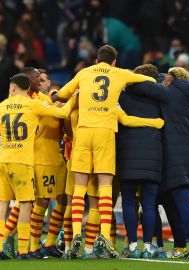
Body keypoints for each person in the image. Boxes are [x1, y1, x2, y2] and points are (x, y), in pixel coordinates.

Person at [54, 45, 156, 258]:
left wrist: (62, 94)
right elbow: (147, 80)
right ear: (114, 62)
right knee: (105, 186)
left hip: (83, 132)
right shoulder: (120, 73)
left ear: (96, 59)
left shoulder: (84, 72)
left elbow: (62, 94)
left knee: (79, 188)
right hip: (105, 132)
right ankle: (103, 237)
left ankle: (75, 237)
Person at [0, 73, 76, 260]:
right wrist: (75, 96)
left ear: (13, 88)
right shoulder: (33, 104)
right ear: (28, 86)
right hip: (24, 161)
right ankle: (24, 249)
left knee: (3, 205)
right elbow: (62, 113)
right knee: (26, 205)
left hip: (3, 159)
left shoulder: (1, 106)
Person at [126, 67, 189, 258]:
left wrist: (126, 82)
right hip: (179, 153)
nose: (164, 80)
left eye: (167, 77)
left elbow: (145, 88)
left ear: (173, 78)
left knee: (181, 201)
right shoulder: (181, 92)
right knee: (172, 203)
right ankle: (180, 246)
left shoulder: (172, 93)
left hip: (176, 155)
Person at [117, 64, 166, 258]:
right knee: (149, 204)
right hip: (154, 157)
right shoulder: (162, 98)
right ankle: (148, 247)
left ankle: (132, 247)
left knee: (128, 203)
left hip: (128, 155)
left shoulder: (122, 96)